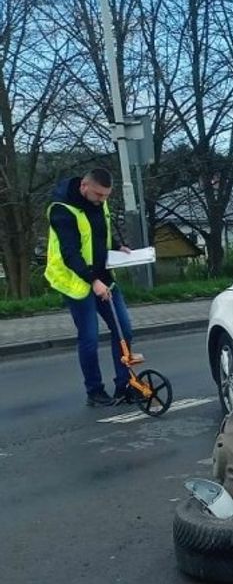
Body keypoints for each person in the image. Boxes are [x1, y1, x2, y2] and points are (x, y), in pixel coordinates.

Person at [44, 168, 138, 406]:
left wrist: (118, 246)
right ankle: (94, 391)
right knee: (89, 337)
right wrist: (93, 281)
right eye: (98, 195)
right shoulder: (61, 210)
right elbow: (70, 253)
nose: (102, 201)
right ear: (84, 187)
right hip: (75, 281)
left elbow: (98, 234)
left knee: (124, 329)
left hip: (104, 277)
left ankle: (124, 385)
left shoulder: (99, 202)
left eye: (106, 196)